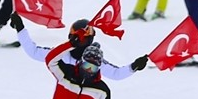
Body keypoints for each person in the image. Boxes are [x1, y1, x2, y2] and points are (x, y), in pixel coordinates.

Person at [17, 15, 148, 80]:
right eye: (77, 39)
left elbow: (115, 73)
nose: (80, 43)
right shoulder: (61, 54)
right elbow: (34, 52)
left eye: (82, 40)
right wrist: (20, 28)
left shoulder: (93, 60)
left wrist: (134, 66)